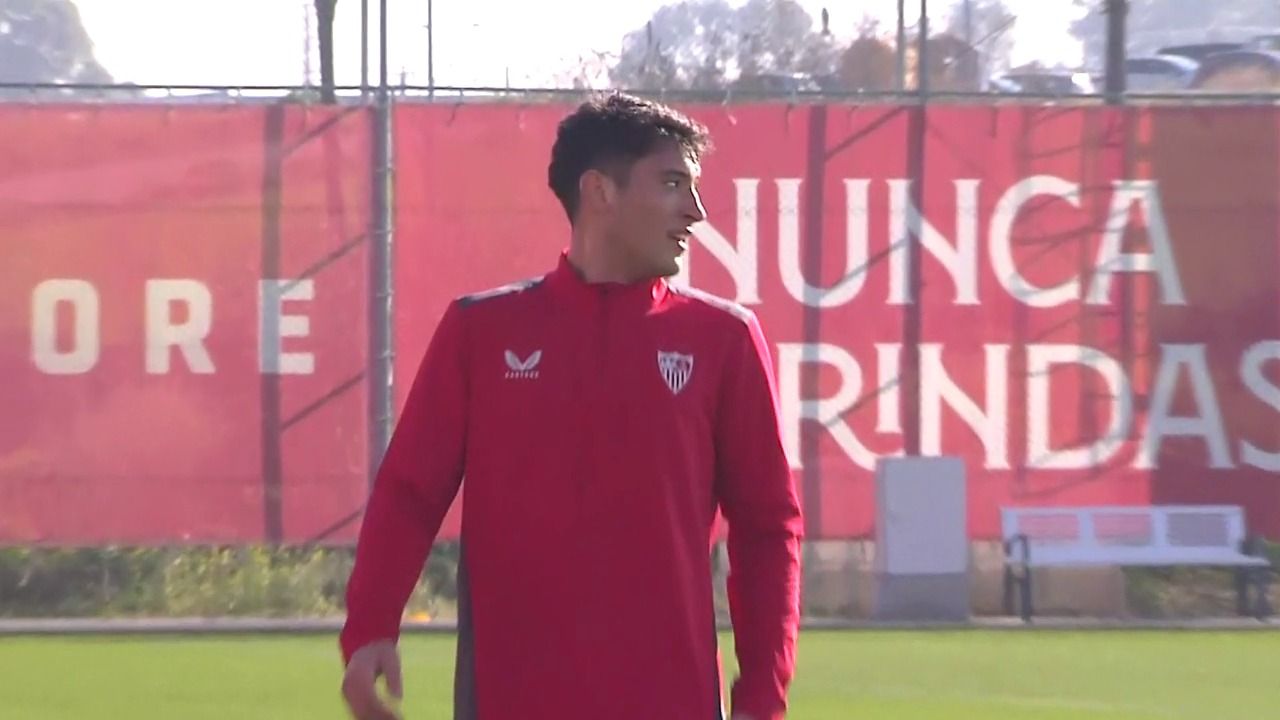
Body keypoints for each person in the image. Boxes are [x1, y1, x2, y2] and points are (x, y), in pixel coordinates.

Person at [339, 91, 804, 720]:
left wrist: (761, 695)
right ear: (599, 192)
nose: (694, 211)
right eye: (671, 184)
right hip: (510, 700)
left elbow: (768, 528)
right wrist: (370, 626)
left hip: (673, 702)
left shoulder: (725, 340)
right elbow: (409, 492)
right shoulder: (482, 332)